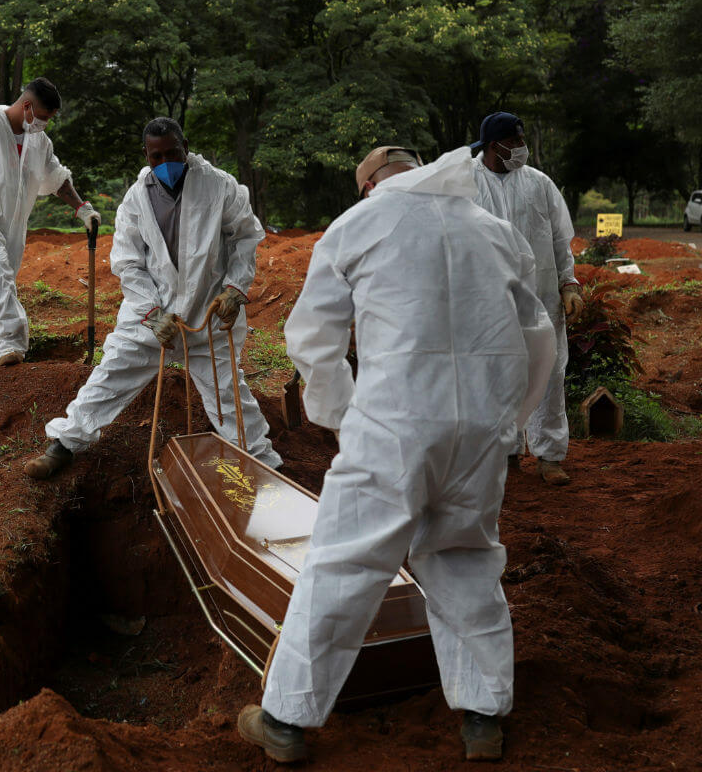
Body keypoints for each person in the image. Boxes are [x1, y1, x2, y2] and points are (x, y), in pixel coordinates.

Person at [237, 147, 555, 763]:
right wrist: (509, 424)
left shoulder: (359, 225)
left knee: (345, 563)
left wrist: (341, 417)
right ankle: (483, 717)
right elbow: (537, 334)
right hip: (480, 434)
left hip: (395, 426)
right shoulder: (494, 230)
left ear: (369, 186)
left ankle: (285, 719)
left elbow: (313, 339)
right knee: (465, 557)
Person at [23, 116, 283, 478]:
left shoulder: (219, 186)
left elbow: (245, 238)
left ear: (186, 148)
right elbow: (128, 263)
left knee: (230, 396)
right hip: (152, 319)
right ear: (145, 155)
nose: (165, 164)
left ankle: (263, 465)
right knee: (110, 374)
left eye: (172, 153)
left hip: (208, 317)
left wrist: (235, 290)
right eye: (156, 156)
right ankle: (64, 445)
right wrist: (152, 313)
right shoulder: (134, 200)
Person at [0, 78, 102, 365]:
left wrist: (82, 208)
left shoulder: (39, 140)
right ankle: (11, 343)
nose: (44, 124)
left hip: (11, 223)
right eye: (42, 118)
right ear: (27, 106)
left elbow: (55, 177)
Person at [470, 112, 582, 485]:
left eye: (522, 141)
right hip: (487, 300)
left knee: (548, 374)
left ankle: (549, 456)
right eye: (514, 142)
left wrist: (569, 284)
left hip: (541, 295)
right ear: (492, 146)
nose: (521, 148)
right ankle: (505, 452)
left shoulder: (540, 184)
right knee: (495, 375)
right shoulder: (464, 183)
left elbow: (559, 240)